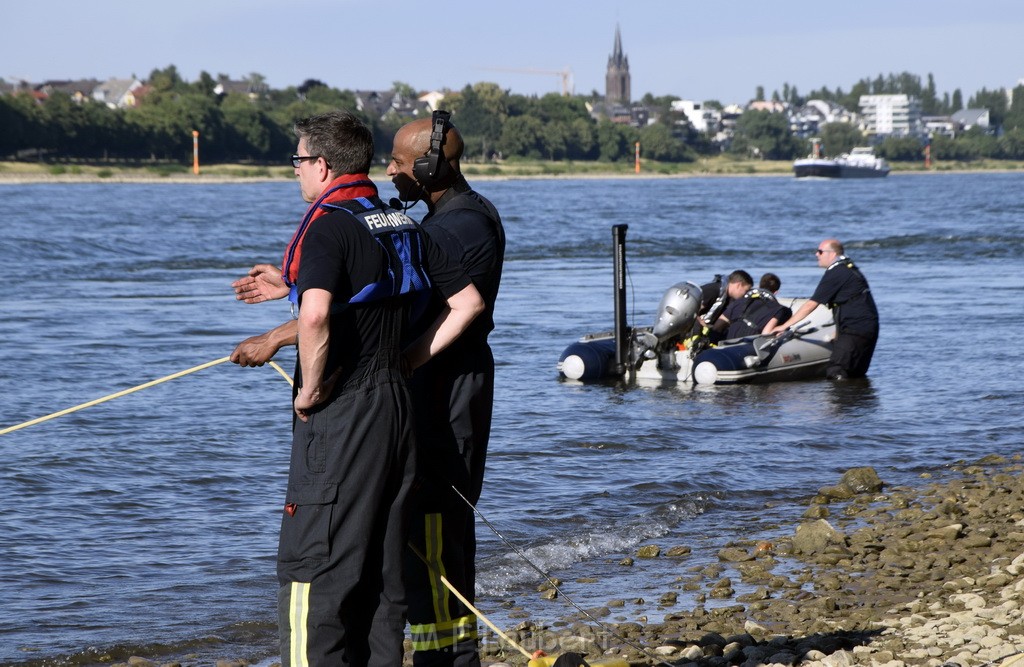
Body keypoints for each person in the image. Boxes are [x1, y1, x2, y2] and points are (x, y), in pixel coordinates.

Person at [261, 110, 484, 667]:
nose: (295, 173)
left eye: (298, 160)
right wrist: (409, 359)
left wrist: (309, 390)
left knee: (314, 565)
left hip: (344, 408)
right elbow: (469, 303)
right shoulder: (398, 223)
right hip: (398, 405)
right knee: (385, 566)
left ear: (322, 164)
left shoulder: (328, 225)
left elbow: (316, 317)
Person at [386, 111, 505, 667]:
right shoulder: (447, 216)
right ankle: (454, 654)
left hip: (449, 391)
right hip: (441, 385)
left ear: (429, 167)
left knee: (434, 521)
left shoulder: (459, 226)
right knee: (437, 528)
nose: (390, 172)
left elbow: (413, 287)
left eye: (398, 163)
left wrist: (408, 360)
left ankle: (447, 659)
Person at [769, 239, 879, 380]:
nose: (816, 254)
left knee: (836, 371)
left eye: (820, 251)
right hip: (867, 326)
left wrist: (784, 326)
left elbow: (811, 304)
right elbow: (850, 303)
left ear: (832, 254)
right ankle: (859, 401)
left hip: (855, 329)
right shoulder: (849, 267)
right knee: (855, 373)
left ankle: (841, 401)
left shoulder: (836, 271)